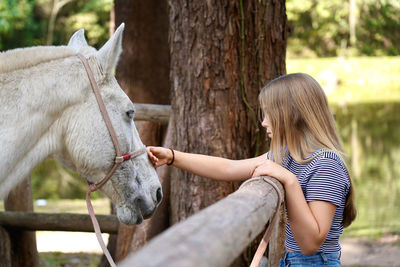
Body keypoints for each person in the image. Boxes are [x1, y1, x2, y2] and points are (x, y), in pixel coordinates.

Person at [147, 73, 356, 266]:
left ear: (292, 115)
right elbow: (229, 168)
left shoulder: (326, 165)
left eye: (269, 113)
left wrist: (289, 180)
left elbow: (310, 244)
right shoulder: (288, 156)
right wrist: (173, 156)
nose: (264, 122)